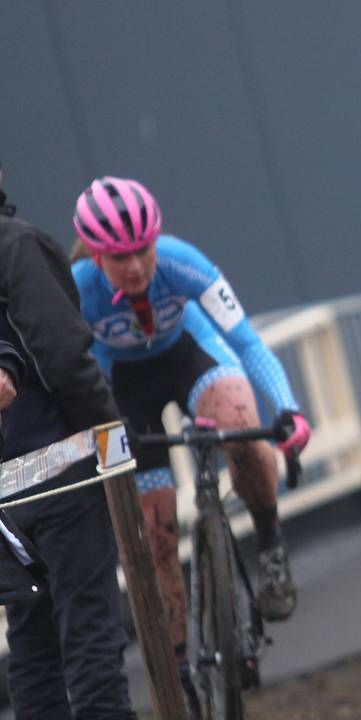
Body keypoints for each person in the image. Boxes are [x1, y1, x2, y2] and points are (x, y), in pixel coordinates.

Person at [68, 176, 311, 692]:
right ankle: (178, 656)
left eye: (142, 251)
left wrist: (288, 409)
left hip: (190, 356)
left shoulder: (182, 260)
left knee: (242, 425)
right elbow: (69, 380)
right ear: (94, 254)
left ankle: (268, 539)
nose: (135, 267)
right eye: (118, 257)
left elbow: (246, 342)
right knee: (154, 531)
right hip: (123, 388)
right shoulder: (76, 290)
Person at [0, 163, 137, 719]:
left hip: (5, 503)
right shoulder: (19, 246)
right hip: (59, 473)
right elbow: (63, 358)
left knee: (31, 644)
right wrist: (112, 437)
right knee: (90, 634)